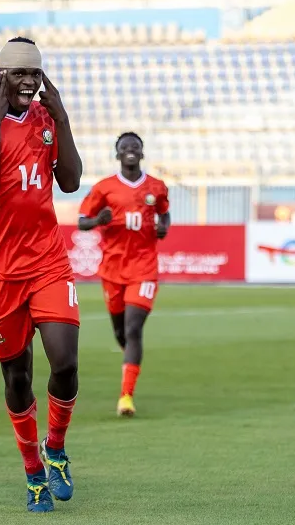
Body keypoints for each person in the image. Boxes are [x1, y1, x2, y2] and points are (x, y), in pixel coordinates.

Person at [0, 37, 83, 512]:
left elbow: (69, 180)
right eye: (20, 74)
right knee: (18, 375)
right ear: (1, 74)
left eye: (35, 74)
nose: (29, 83)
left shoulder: (47, 118)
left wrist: (63, 118)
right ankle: (33, 474)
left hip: (47, 260)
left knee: (65, 361)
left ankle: (57, 448)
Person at [78, 132, 170, 417]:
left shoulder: (157, 187)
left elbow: (164, 213)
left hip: (144, 269)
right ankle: (130, 357)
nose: (130, 150)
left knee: (133, 329)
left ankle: (126, 397)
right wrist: (97, 220)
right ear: (117, 154)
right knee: (120, 331)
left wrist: (164, 226)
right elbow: (82, 221)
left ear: (142, 153)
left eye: (135, 147)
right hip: (113, 269)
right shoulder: (105, 188)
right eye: (124, 147)